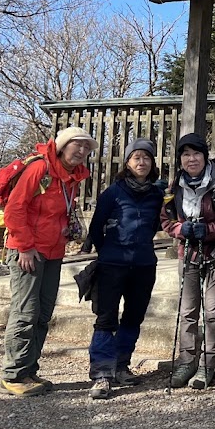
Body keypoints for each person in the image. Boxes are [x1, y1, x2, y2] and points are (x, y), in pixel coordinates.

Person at [0, 126, 95, 396]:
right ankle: (14, 374)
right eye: (77, 144)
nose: (81, 151)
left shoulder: (71, 178)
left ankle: (29, 370)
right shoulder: (39, 169)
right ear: (63, 146)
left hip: (53, 251)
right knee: (25, 312)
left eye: (86, 148)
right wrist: (25, 247)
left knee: (43, 313)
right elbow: (15, 208)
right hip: (28, 251)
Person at [85, 138, 163, 399]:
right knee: (106, 318)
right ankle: (102, 373)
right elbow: (96, 228)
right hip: (112, 264)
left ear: (152, 163)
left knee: (133, 317)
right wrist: (108, 250)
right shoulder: (113, 192)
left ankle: (121, 365)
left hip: (143, 264)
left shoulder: (156, 194)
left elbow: (154, 227)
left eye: (146, 158)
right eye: (136, 157)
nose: (141, 162)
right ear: (127, 163)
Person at [161, 132, 215, 390]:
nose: (191, 159)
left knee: (212, 311)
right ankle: (186, 360)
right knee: (187, 311)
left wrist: (210, 229)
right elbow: (166, 218)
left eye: (196, 153)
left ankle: (208, 363)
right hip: (188, 251)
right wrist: (180, 230)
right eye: (186, 154)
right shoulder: (174, 186)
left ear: (205, 155)